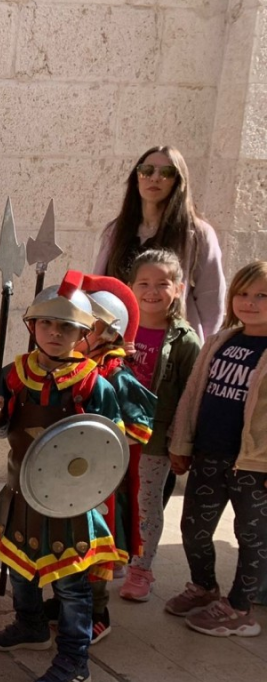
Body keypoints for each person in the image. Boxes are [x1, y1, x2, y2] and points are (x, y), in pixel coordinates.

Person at [0, 271, 123, 682]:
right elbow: (5, 429)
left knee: (71, 586)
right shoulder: (12, 374)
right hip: (22, 488)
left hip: (70, 501)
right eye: (46, 324)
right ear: (32, 326)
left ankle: (74, 662)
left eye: (66, 326)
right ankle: (30, 624)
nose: (55, 333)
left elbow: (109, 445)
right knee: (19, 564)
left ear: (83, 332)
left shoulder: (93, 384)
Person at [165, 261, 267, 638]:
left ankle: (241, 608)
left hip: (254, 466)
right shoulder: (221, 341)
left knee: (252, 535)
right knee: (193, 528)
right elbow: (193, 394)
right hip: (210, 455)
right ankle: (204, 587)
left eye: (261, 296)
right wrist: (181, 443)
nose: (250, 302)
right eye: (243, 293)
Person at [73, 275, 157, 643]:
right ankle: (66, 605)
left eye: (85, 324)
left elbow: (135, 431)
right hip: (70, 475)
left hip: (102, 483)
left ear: (109, 331)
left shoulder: (118, 377)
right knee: (68, 542)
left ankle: (96, 612)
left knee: (96, 549)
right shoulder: (70, 365)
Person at [118, 250, 201, 602]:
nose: (152, 291)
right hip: (113, 432)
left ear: (179, 288)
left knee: (147, 504)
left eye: (162, 284)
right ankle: (117, 555)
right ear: (129, 288)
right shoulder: (119, 329)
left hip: (154, 439)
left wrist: (181, 442)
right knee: (115, 498)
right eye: (144, 283)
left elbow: (191, 396)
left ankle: (142, 569)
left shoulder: (184, 341)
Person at [93, 145, 225, 342]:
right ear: (136, 178)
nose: (154, 178)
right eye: (146, 171)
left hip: (168, 346)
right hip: (115, 339)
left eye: (166, 172)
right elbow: (100, 285)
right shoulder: (116, 230)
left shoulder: (197, 233)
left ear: (177, 181)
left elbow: (211, 299)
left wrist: (201, 351)